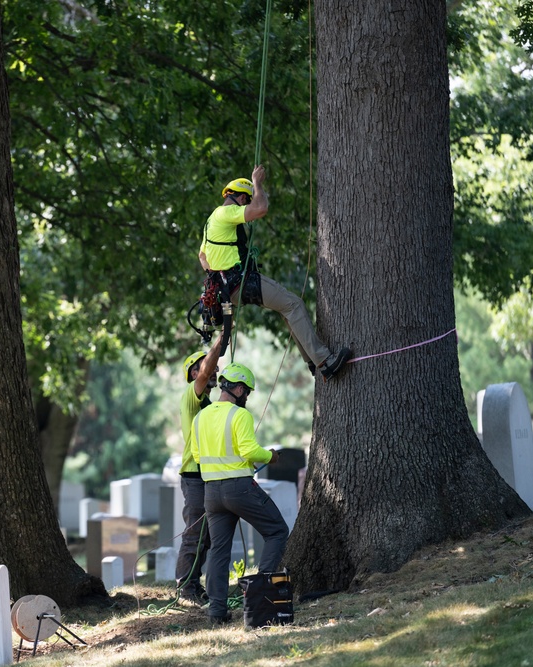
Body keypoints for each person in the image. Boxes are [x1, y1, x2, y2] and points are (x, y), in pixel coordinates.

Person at [198, 165, 351, 380]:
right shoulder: (226, 212)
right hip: (239, 282)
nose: (247, 204)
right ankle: (325, 362)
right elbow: (261, 209)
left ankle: (312, 361)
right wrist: (257, 184)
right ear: (241, 197)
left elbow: (202, 256)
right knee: (293, 304)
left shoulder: (210, 222)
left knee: (287, 307)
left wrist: (216, 275)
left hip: (229, 287)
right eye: (246, 199)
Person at [193, 362, 289, 624]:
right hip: (240, 489)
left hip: (211, 493)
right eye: (246, 391)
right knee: (277, 531)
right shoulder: (239, 415)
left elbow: (197, 455)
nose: (247, 397)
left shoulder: (200, 417)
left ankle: (216, 612)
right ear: (236, 389)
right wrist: (271, 456)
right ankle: (260, 596)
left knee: (219, 551)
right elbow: (248, 450)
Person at [175, 335, 224, 604]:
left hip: (209, 474)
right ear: (195, 372)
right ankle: (185, 588)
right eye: (208, 366)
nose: (214, 369)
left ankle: (195, 586)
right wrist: (221, 338)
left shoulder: (208, 404)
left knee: (206, 535)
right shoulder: (192, 397)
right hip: (195, 475)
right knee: (195, 533)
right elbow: (206, 371)